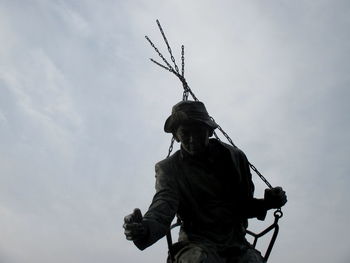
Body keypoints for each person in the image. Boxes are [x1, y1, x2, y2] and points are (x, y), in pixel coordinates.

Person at [123, 101, 287, 263]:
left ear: (209, 131)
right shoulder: (169, 169)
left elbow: (242, 206)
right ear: (176, 136)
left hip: (236, 243)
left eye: (199, 132)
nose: (193, 140)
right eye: (185, 133)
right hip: (196, 243)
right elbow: (164, 204)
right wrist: (144, 229)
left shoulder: (235, 158)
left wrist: (268, 203)